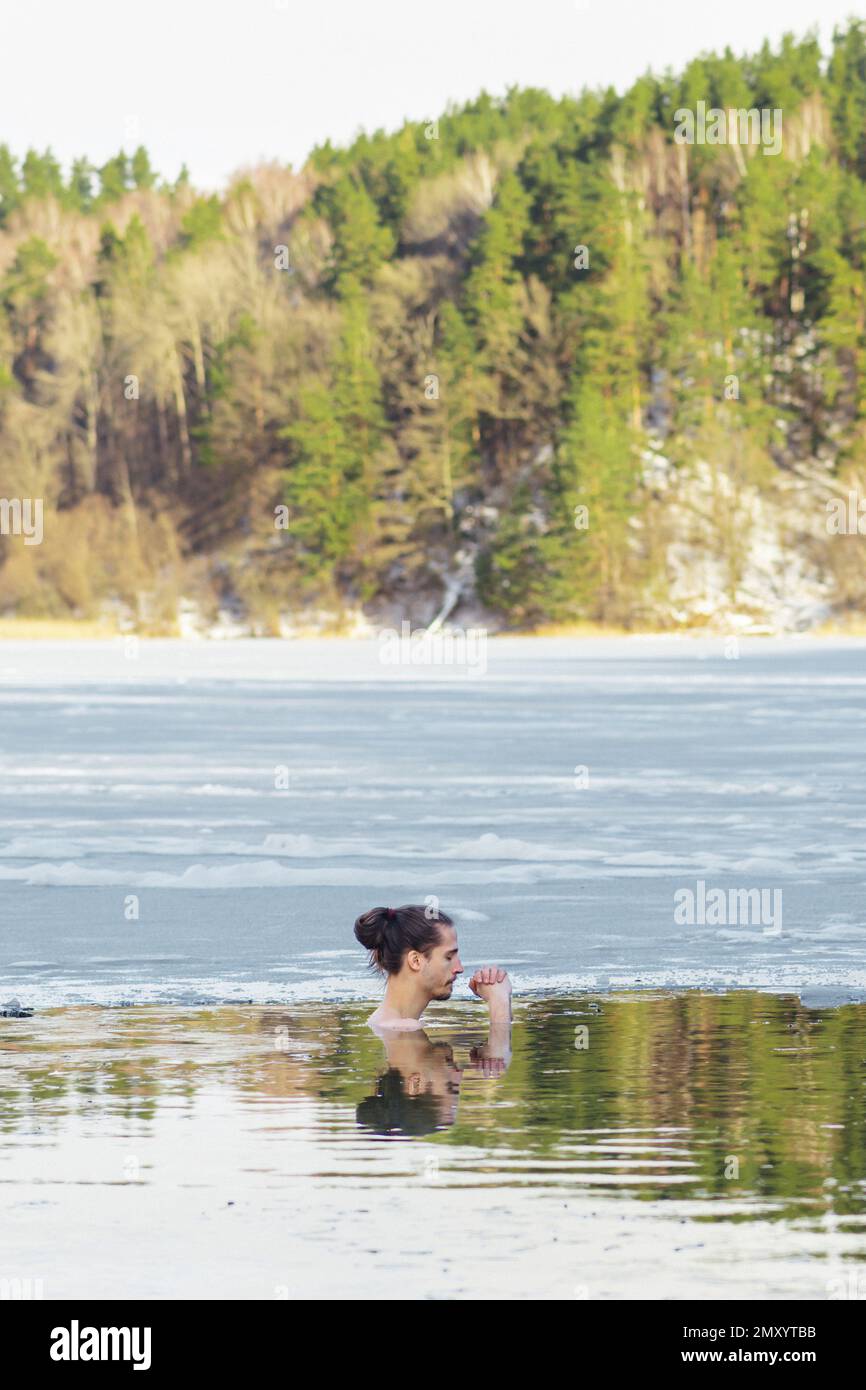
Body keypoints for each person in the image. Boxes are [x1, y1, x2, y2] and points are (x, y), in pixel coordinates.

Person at [353, 903, 512, 1034]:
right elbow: (499, 1056)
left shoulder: (391, 1022)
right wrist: (499, 1000)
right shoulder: (405, 1028)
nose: (459, 968)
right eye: (448, 957)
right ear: (416, 960)